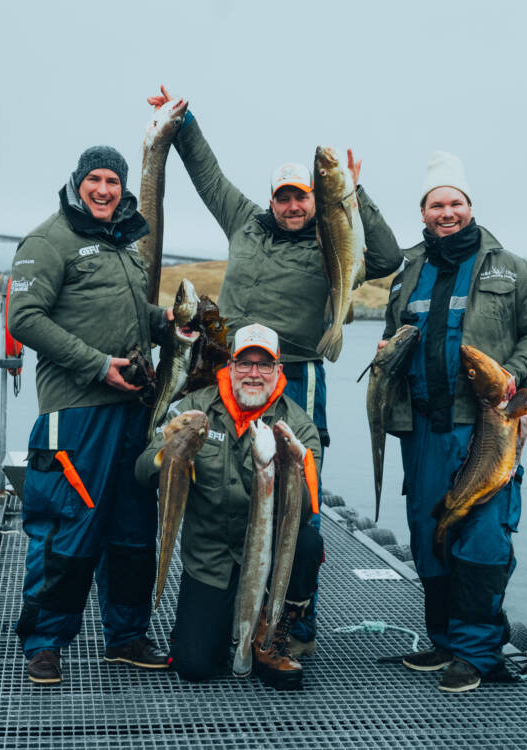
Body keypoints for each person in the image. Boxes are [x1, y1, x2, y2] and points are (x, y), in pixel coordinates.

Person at [147, 85, 403, 650]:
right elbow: (208, 176)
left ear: (317, 199)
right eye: (284, 198)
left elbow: (387, 259)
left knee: (298, 493)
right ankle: (224, 589)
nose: (292, 206)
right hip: (225, 370)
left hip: (296, 372)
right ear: (272, 199)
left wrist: (357, 196)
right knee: (222, 478)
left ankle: (293, 615)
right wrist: (182, 125)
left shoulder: (334, 242)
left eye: (302, 197)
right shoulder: (243, 219)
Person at [379, 151, 527, 692]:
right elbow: (394, 337)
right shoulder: (408, 272)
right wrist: (387, 353)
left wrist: (514, 374)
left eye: (455, 203)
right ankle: (444, 641)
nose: (447, 212)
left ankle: (477, 654)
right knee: (429, 533)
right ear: (423, 212)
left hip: (484, 427)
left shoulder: (511, 268)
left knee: (482, 538)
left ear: (470, 207)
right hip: (420, 429)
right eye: (437, 205)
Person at [7, 145, 172, 685]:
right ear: (78, 182)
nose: (104, 190)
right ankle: (44, 643)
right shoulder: (48, 240)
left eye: (113, 182)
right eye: (95, 180)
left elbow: (131, 315)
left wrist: (167, 322)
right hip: (75, 413)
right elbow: (24, 317)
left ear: (123, 189)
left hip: (133, 410)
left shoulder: (123, 244)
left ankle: (126, 636)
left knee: (132, 530)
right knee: (66, 529)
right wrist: (98, 366)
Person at [135, 323, 323, 690]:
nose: (254, 373)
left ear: (278, 370)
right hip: (212, 559)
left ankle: (273, 630)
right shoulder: (193, 408)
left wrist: (289, 467)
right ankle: (212, 625)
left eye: (264, 364)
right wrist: (170, 449)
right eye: (245, 363)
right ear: (230, 366)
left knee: (308, 543)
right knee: (195, 665)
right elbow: (142, 472)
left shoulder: (298, 426)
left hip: (269, 558)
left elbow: (304, 511)